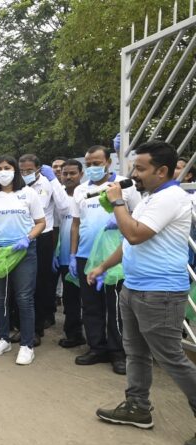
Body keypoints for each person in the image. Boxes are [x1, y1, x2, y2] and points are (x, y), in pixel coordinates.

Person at [86, 141, 196, 445]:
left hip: (160, 291)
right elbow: (131, 241)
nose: (135, 174)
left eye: (141, 168)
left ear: (162, 171)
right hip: (134, 287)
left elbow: (134, 232)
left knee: (171, 357)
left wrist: (118, 202)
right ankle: (137, 406)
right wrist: (103, 266)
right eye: (135, 167)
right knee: (135, 352)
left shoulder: (171, 198)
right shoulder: (151, 197)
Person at [70, 145, 141, 374]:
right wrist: (72, 255)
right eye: (88, 164)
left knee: (115, 306)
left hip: (114, 256)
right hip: (85, 255)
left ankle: (117, 352)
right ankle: (96, 347)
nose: (92, 167)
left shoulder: (124, 186)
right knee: (90, 305)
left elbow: (138, 215)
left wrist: (121, 222)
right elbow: (76, 223)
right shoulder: (80, 190)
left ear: (108, 162)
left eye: (97, 163)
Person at [0, 155, 46, 365]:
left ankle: (27, 345)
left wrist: (28, 238)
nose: (3, 171)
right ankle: (3, 338)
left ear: (15, 170)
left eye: (7, 167)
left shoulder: (27, 193)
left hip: (23, 251)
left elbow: (41, 222)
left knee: (24, 297)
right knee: (0, 297)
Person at [18, 154, 69, 343]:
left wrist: (54, 179)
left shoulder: (49, 184)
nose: (25, 174)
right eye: (22, 170)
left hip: (43, 236)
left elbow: (64, 207)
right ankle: (19, 326)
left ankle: (36, 329)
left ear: (39, 169)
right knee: (22, 284)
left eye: (29, 170)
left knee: (40, 284)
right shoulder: (17, 184)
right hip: (21, 237)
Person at [56, 159, 85, 348]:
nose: (68, 177)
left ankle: (98, 338)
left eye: (72, 173)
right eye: (65, 173)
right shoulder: (59, 198)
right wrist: (55, 253)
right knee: (70, 299)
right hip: (66, 257)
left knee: (90, 301)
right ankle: (73, 335)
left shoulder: (87, 195)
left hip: (86, 255)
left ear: (81, 174)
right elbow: (57, 227)